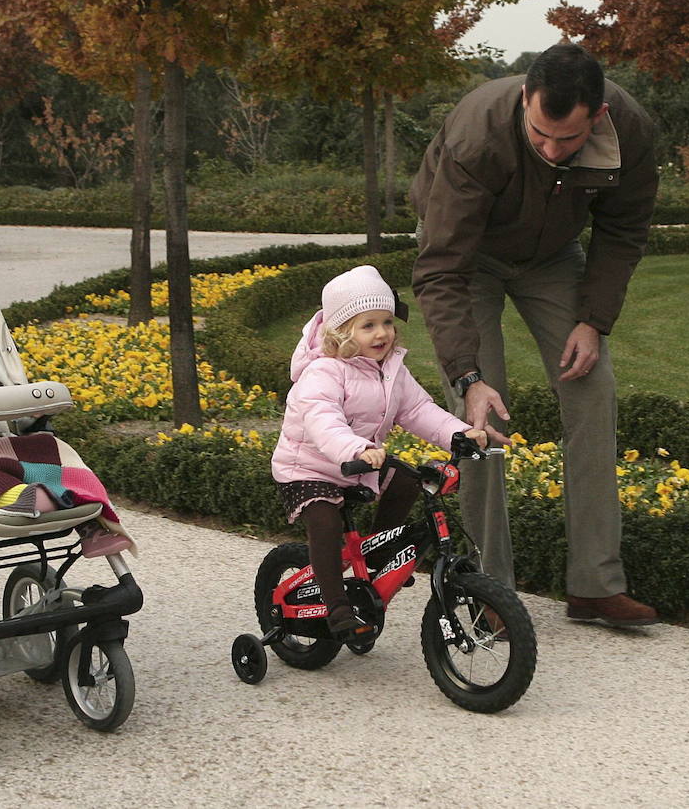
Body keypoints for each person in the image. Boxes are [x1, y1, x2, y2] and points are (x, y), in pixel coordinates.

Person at [410, 41, 660, 627]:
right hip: (467, 259)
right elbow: (441, 267)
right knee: (481, 420)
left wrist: (594, 320)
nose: (551, 150)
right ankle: (486, 587)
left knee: (593, 392)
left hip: (552, 258)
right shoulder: (478, 134)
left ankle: (595, 585)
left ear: (597, 116)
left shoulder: (630, 131)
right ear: (526, 97)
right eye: (540, 134)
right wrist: (467, 377)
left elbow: (623, 232)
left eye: (567, 141)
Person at [271, 265, 488, 638]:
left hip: (357, 463)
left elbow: (418, 410)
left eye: (387, 322)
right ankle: (337, 608)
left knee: (407, 479)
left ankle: (379, 556)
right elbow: (323, 421)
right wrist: (357, 447)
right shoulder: (323, 372)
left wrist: (460, 433)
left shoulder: (391, 369)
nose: (382, 333)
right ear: (342, 331)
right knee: (325, 524)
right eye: (368, 325)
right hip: (308, 469)